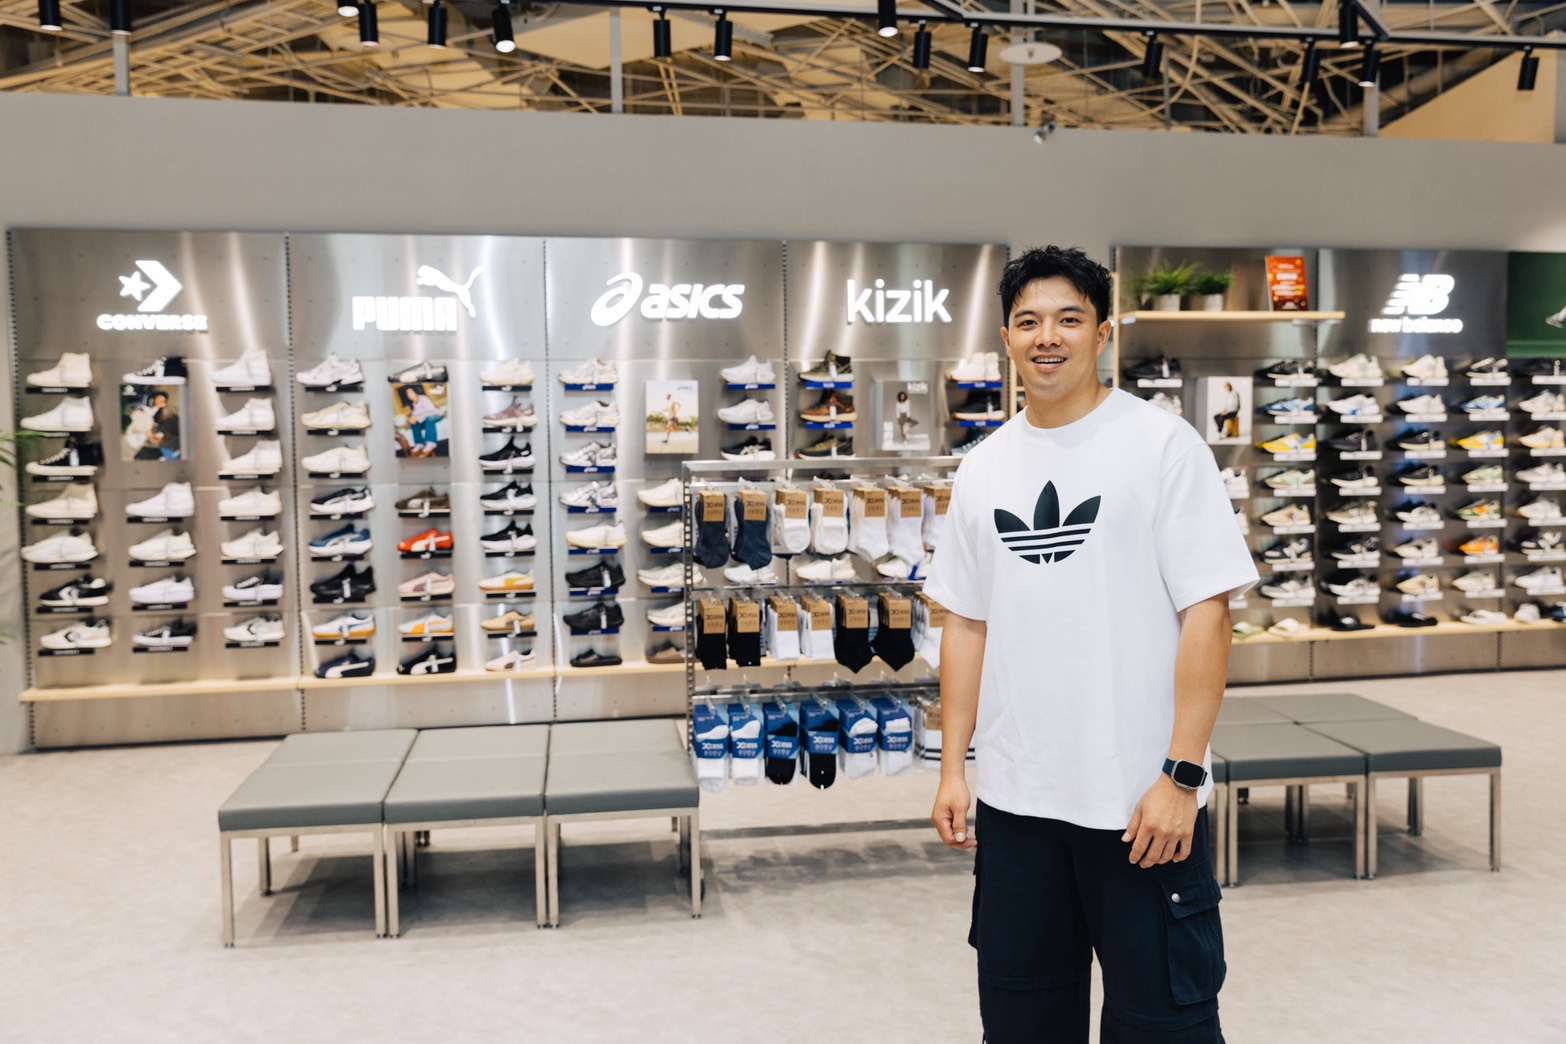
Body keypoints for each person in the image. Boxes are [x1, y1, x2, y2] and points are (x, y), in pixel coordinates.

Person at [924, 246, 1258, 1044]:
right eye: (1029, 321)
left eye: (1069, 319)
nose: (1048, 337)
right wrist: (952, 769)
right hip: (1017, 807)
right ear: (1006, 337)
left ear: (1103, 333)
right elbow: (966, 624)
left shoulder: (1163, 445)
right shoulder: (982, 468)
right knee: (1022, 1023)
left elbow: (1208, 614)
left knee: (1163, 1026)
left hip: (1140, 804)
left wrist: (1181, 775)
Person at [398, 383, 444, 456]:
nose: (408, 395)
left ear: (415, 391)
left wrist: (417, 417)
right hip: (426, 419)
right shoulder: (413, 404)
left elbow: (431, 411)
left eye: (410, 392)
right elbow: (415, 416)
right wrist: (412, 419)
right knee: (414, 424)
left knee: (429, 419)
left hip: (436, 415)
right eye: (407, 393)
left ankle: (431, 443)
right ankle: (419, 443)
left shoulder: (423, 398)